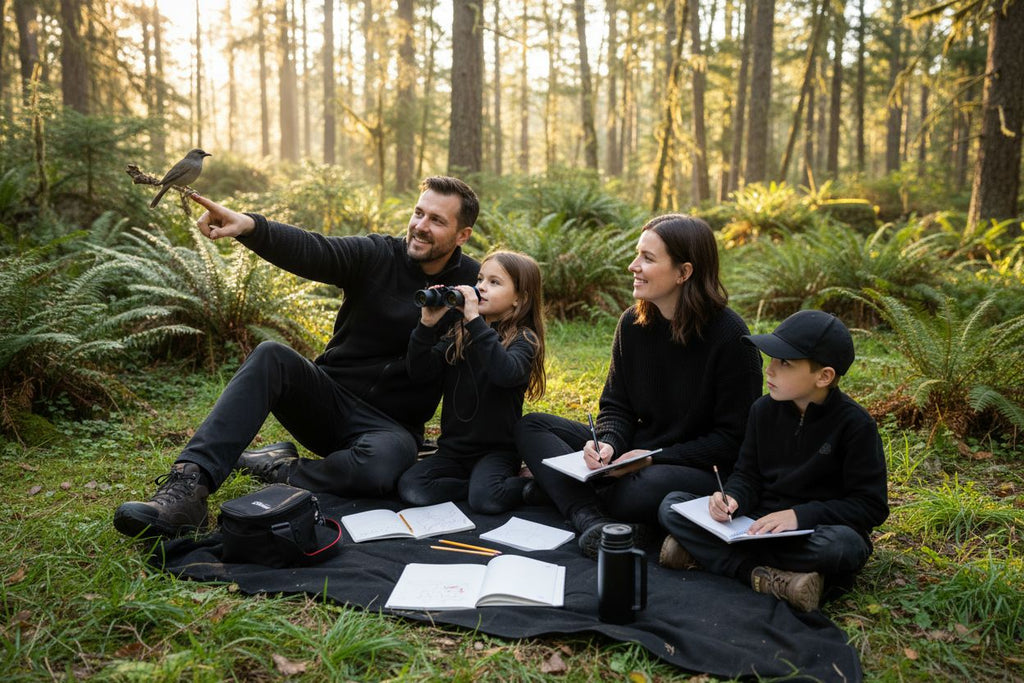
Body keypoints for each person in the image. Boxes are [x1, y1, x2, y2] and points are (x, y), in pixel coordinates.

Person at [113, 176, 481, 538]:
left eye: (436, 220)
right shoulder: (376, 254)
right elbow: (314, 250)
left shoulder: (472, 288)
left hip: (389, 429)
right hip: (328, 401)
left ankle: (280, 468)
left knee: (385, 467)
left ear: (462, 235)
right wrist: (250, 226)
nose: (420, 226)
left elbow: (497, 356)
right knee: (271, 354)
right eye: (418, 213)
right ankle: (188, 488)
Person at [515, 214, 763, 558]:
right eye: (636, 254)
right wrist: (607, 445)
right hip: (636, 452)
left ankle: (563, 493)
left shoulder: (731, 336)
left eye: (647, 258)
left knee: (635, 492)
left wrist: (651, 459)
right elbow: (617, 406)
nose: (633, 266)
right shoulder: (632, 323)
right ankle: (590, 518)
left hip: (697, 467)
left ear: (683, 272)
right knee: (533, 425)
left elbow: (734, 439)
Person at [657, 310, 890, 612]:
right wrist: (732, 497)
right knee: (671, 506)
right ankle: (768, 577)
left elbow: (870, 506)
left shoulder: (855, 425)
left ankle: (707, 555)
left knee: (842, 548)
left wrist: (799, 516)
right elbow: (747, 474)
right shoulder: (762, 410)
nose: (770, 370)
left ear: (824, 376)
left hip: (811, 532)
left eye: (785, 363)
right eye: (771, 359)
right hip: (756, 524)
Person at [397, 251, 547, 513]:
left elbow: (505, 372)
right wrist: (426, 325)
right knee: (411, 487)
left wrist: (476, 322)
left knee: (487, 500)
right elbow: (420, 374)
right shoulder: (459, 332)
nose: (481, 287)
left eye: (494, 282)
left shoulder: (524, 339)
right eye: (480, 279)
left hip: (497, 451)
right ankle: (476, 483)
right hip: (454, 449)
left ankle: (531, 486)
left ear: (519, 299)